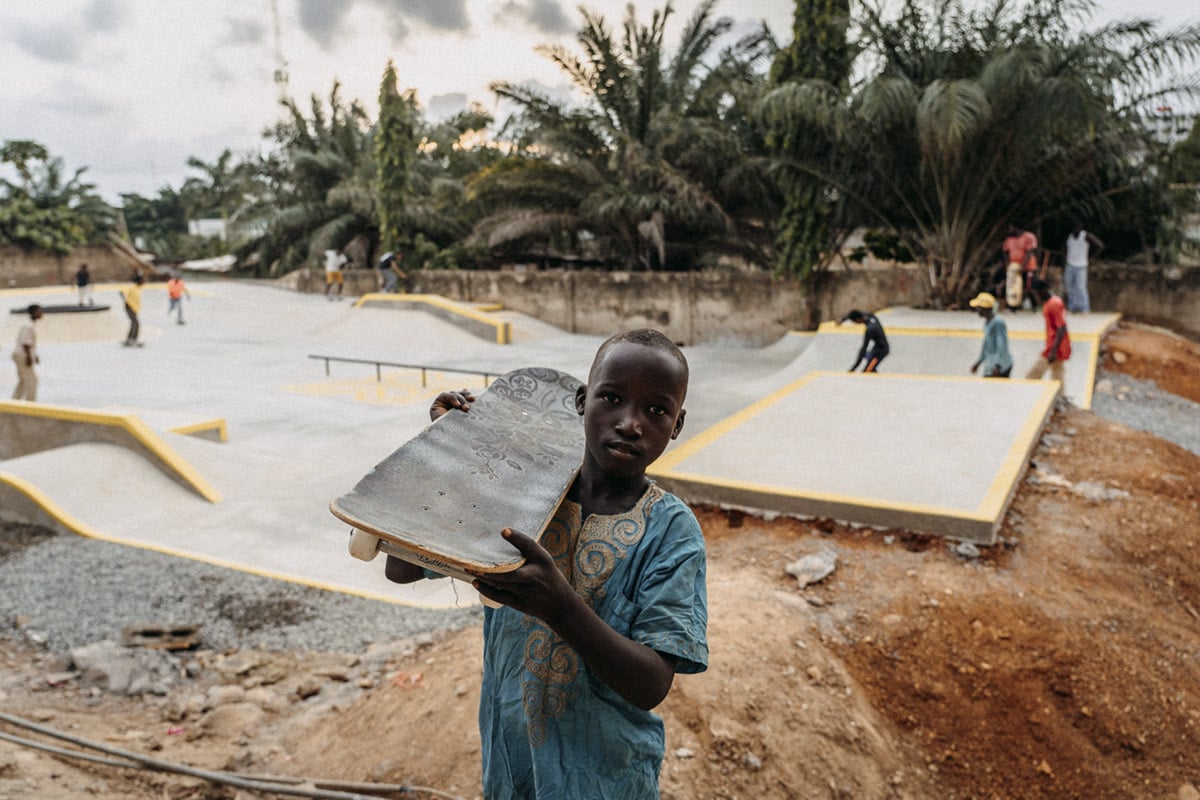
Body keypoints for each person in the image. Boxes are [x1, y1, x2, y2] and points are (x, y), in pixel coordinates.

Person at [385, 329, 709, 799]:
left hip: (606, 780)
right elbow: (403, 568)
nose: (630, 422)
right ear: (582, 400)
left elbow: (651, 684)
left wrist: (560, 609)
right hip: (510, 770)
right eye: (612, 398)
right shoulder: (520, 492)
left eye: (656, 410)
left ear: (676, 425)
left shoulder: (671, 531)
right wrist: (449, 452)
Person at [1025, 278, 1071, 382]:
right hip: (1056, 346)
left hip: (1054, 348)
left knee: (1032, 376)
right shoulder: (1052, 302)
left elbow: (1061, 327)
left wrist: (1053, 350)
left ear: (1042, 291)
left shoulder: (1053, 304)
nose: (1036, 297)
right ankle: (1060, 396)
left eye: (1036, 294)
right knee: (1057, 377)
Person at [967, 292, 1013, 378]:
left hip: (1000, 366)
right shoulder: (987, 323)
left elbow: (1001, 345)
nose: (976, 309)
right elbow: (986, 345)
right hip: (991, 364)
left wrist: (998, 366)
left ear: (985, 308)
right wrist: (978, 362)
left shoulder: (998, 323)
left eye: (978, 307)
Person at [1063, 221, 1104, 313]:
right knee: (1069, 287)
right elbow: (1066, 249)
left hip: (1081, 266)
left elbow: (1100, 246)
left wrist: (1091, 258)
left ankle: (1084, 308)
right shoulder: (1069, 237)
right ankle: (1071, 307)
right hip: (1069, 265)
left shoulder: (1086, 236)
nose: (1075, 231)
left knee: (1081, 287)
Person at [1002, 225, 1039, 311]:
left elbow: (1029, 252)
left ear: (1016, 227)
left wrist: (1023, 266)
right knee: (1013, 286)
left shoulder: (1028, 237)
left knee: (1029, 286)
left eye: (1011, 227)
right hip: (1014, 267)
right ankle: (1013, 306)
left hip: (1028, 267)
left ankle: (1034, 306)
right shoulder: (1009, 239)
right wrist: (1008, 265)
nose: (1009, 230)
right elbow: (1004, 252)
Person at [11, 304, 43, 401]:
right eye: (39, 311)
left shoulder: (29, 324)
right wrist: (29, 357)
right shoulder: (28, 326)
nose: (41, 313)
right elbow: (26, 343)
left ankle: (14, 401)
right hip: (23, 356)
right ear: (33, 313)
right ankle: (31, 403)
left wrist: (34, 355)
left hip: (19, 354)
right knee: (32, 381)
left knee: (23, 381)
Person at [121, 273, 145, 347]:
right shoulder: (132, 287)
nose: (143, 282)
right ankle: (133, 340)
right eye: (142, 280)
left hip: (134, 308)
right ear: (138, 281)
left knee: (133, 323)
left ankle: (129, 339)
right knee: (136, 324)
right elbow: (121, 292)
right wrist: (127, 301)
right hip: (129, 308)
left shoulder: (138, 288)